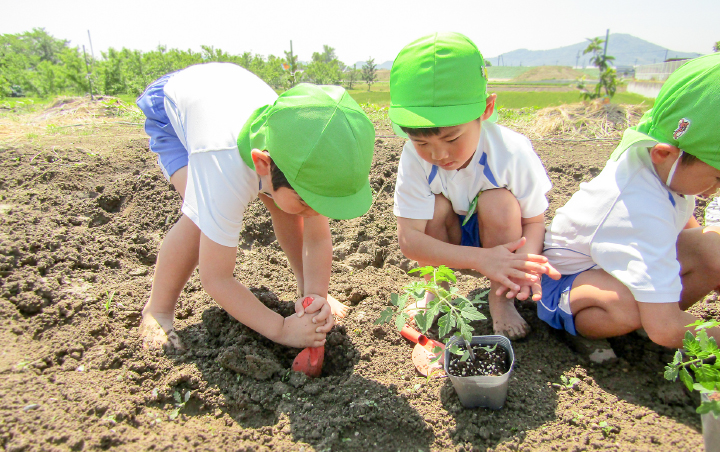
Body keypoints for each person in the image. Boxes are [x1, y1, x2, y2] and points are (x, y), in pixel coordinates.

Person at [135, 62, 375, 351]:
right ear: (263, 163)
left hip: (227, 94)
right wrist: (282, 329)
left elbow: (317, 235)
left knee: (287, 206)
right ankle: (157, 310)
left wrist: (315, 296)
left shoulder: (302, 154)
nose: (315, 211)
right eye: (307, 200)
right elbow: (216, 278)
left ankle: (304, 288)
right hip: (174, 106)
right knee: (200, 219)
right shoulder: (222, 166)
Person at [540, 53, 720, 350]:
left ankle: (653, 311)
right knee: (626, 306)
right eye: (716, 179)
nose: (714, 191)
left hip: (609, 265)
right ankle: (609, 328)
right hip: (563, 283)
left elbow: (682, 218)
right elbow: (666, 331)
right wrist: (671, 326)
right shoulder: (637, 209)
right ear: (665, 154)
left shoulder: (663, 163)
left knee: (711, 248)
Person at [389, 32, 560, 340]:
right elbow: (409, 240)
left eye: (452, 138)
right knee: (435, 207)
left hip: (500, 238)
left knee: (499, 201)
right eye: (421, 142)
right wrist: (481, 260)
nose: (438, 155)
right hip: (451, 240)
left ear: (486, 109)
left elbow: (534, 222)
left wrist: (523, 268)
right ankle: (436, 291)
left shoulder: (512, 152)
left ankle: (500, 299)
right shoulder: (414, 159)